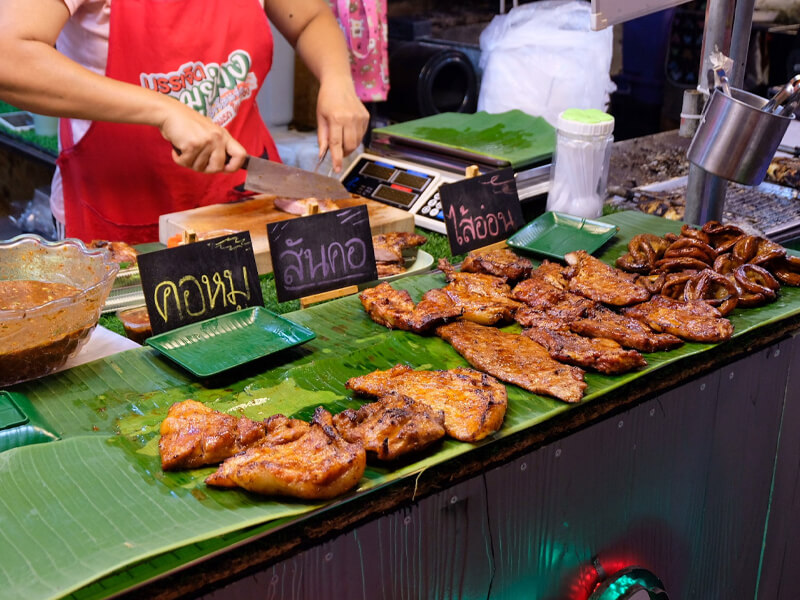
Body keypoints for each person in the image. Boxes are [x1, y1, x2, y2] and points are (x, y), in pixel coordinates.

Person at [0, 0, 370, 244]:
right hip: (118, 222)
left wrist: (337, 79)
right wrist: (164, 110)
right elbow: (9, 57)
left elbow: (309, 18)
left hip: (246, 208)